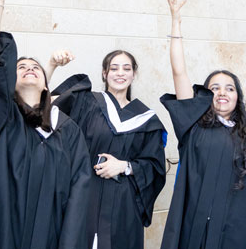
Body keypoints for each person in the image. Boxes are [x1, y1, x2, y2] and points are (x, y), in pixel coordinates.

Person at [0, 0, 90, 249]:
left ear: (47, 83)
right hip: (2, 234)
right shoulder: (2, 119)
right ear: (8, 81)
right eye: (20, 67)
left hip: (52, 236)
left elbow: (80, 188)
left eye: (35, 66)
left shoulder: (67, 130)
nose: (28, 68)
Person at [159, 0, 246, 249]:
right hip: (198, 231)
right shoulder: (194, 128)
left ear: (238, 97)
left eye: (229, 88)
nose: (222, 92)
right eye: (215, 88)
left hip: (241, 234)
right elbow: (179, 71)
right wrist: (175, 22)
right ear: (206, 96)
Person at [48, 44, 167, 249]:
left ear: (133, 74)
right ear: (104, 73)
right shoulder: (84, 101)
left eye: (126, 68)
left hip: (123, 207)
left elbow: (154, 167)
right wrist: (51, 66)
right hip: (84, 196)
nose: (120, 73)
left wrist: (125, 166)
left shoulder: (147, 120)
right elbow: (42, 107)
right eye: (114, 68)